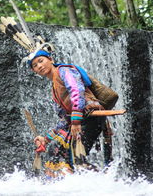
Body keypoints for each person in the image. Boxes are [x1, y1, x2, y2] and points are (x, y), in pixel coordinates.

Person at [28, 49, 114, 177]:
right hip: (79, 120)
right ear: (34, 71)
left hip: (91, 116)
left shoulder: (64, 71)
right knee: (55, 153)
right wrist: (45, 140)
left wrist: (76, 121)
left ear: (51, 59)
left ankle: (99, 182)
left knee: (74, 156)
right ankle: (90, 181)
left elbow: (77, 92)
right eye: (35, 65)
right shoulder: (54, 88)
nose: (39, 66)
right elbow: (65, 120)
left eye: (41, 61)